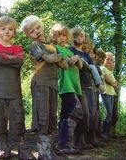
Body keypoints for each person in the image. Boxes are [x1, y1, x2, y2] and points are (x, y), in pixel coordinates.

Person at [21, 15, 67, 159]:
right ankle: (43, 152)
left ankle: (50, 150)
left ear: (42, 26)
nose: (37, 32)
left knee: (52, 116)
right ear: (28, 35)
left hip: (53, 84)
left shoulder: (51, 46)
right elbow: (47, 58)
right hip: (40, 83)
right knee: (43, 116)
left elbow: (65, 66)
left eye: (38, 28)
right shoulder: (35, 45)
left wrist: (59, 57)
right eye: (32, 31)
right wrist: (60, 57)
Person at [0, 16, 33, 159]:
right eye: (3, 29)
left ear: (14, 33)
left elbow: (19, 61)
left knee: (18, 119)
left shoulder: (18, 48)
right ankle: (4, 149)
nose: (7, 32)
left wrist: (1, 57)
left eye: (11, 29)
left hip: (14, 91)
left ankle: (22, 149)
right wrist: (8, 58)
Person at [50, 23, 83, 155]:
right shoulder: (55, 48)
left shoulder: (70, 50)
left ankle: (64, 144)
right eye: (59, 35)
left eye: (64, 35)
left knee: (65, 115)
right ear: (54, 37)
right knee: (77, 110)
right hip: (65, 86)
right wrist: (72, 59)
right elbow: (66, 62)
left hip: (75, 86)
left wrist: (76, 58)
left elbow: (80, 66)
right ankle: (65, 143)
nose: (62, 38)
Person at [100, 52, 118, 139]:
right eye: (107, 59)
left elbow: (115, 84)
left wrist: (113, 83)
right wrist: (113, 83)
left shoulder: (110, 71)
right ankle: (103, 132)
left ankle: (107, 132)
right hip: (106, 93)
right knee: (109, 113)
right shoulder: (102, 68)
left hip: (112, 93)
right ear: (104, 60)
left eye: (111, 60)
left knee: (111, 114)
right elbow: (110, 81)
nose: (109, 61)